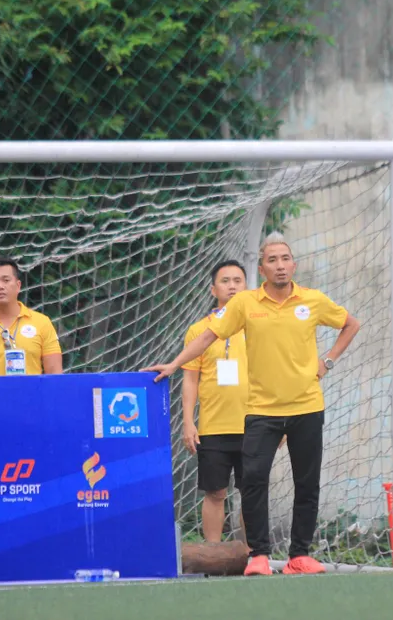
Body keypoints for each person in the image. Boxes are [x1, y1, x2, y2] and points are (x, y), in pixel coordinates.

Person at [143, 232, 361, 576]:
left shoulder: (313, 300)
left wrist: (328, 361)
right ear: (262, 269)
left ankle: (299, 555)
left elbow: (350, 324)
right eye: (272, 260)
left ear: (294, 264)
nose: (280, 265)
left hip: (306, 408)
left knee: (307, 483)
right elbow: (208, 336)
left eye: (285, 259)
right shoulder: (246, 303)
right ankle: (258, 554)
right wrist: (174, 364)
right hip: (261, 411)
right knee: (254, 481)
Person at [181, 259, 249, 542]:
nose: (232, 286)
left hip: (255, 424)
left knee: (252, 491)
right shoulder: (198, 331)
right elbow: (190, 379)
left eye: (238, 280)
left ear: (246, 287)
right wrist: (188, 422)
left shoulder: (258, 326)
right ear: (213, 289)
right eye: (225, 281)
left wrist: (279, 420)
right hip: (213, 426)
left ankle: (254, 555)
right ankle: (213, 553)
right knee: (215, 492)